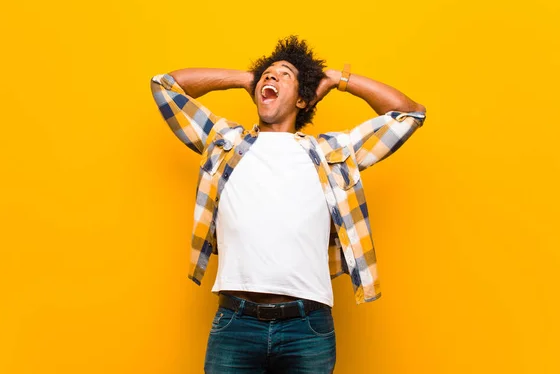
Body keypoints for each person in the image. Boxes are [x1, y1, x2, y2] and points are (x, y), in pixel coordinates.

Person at [150, 35, 426, 373]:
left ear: (302, 101)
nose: (270, 77)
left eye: (284, 75)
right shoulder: (225, 143)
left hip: (307, 328)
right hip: (236, 322)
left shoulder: (332, 153)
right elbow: (165, 86)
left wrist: (339, 80)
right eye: (266, 73)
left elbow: (409, 113)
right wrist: (245, 78)